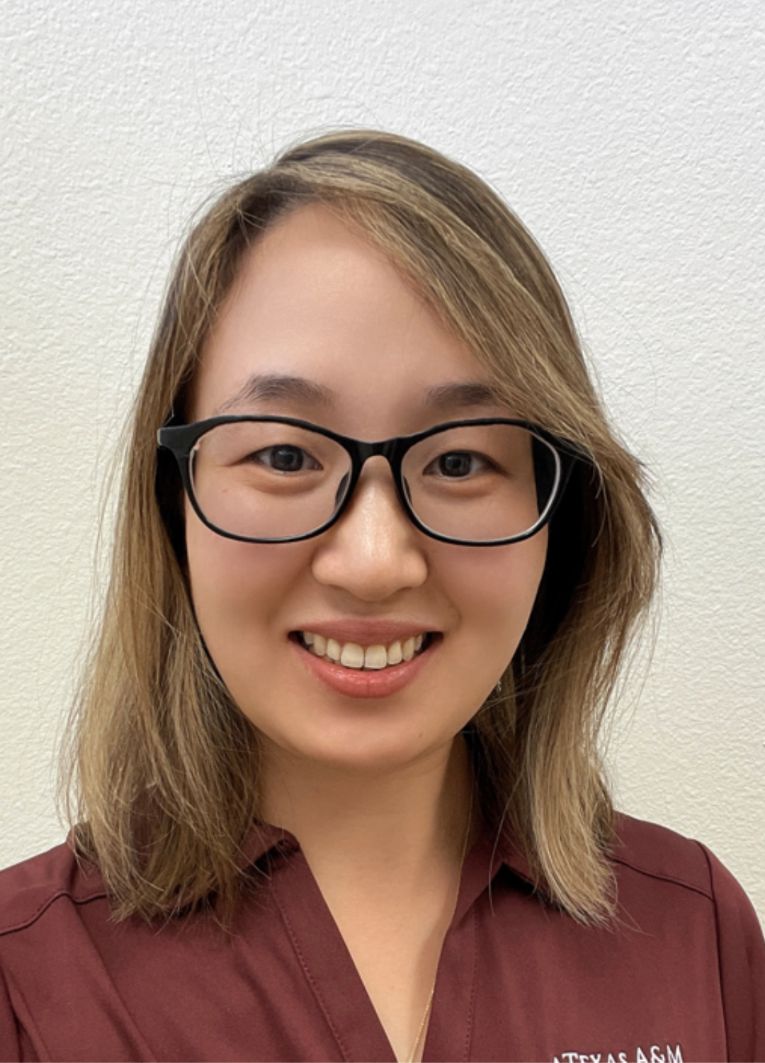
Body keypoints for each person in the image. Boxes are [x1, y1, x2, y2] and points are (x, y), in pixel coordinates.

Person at [0, 129, 762, 1063]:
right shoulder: (25, 983)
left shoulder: (698, 934)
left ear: (560, 518)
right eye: (283, 454)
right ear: (175, 510)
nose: (372, 561)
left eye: (458, 460)